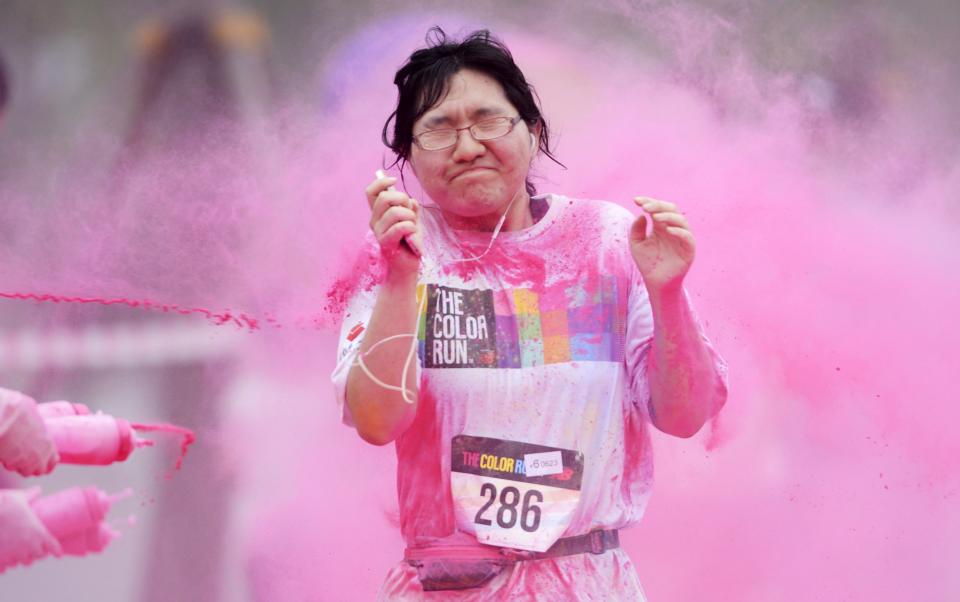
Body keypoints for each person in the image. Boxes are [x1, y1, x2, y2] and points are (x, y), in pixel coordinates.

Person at [331, 28, 728, 600]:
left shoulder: (608, 241)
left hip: (585, 581)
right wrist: (399, 277)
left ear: (533, 130)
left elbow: (686, 415)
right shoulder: (395, 256)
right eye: (438, 129)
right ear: (408, 161)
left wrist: (669, 294)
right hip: (447, 587)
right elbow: (376, 421)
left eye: (489, 121)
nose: (467, 146)